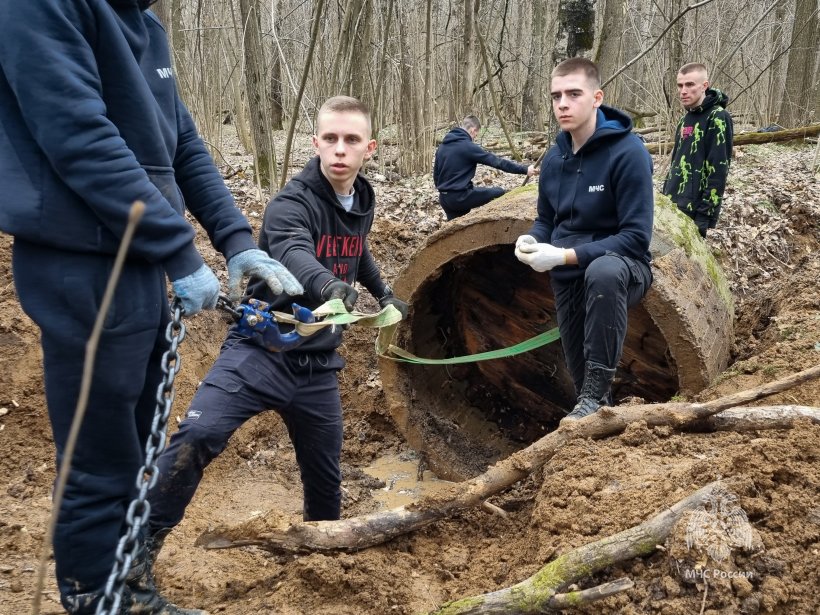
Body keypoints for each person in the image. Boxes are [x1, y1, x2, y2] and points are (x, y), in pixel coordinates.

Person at [0, 2, 303, 613]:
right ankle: (95, 595)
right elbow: (78, 135)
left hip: (138, 258)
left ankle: (127, 588)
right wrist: (177, 249)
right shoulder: (41, 7)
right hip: (80, 258)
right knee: (100, 451)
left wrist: (236, 241)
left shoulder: (145, 21)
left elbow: (182, 142)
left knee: (137, 442)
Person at [146, 96, 408, 556]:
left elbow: (357, 246)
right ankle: (140, 548)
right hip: (259, 349)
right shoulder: (291, 203)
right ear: (316, 143)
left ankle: (317, 558)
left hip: (318, 365)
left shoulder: (362, 197)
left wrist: (382, 291)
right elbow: (292, 251)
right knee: (199, 436)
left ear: (370, 147)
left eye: (351, 140)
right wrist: (328, 286)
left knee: (326, 481)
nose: (340, 149)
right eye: (330, 139)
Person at [515, 58, 654, 424]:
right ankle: (595, 411)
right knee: (581, 381)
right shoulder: (556, 157)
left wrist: (564, 256)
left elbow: (636, 238)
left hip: (623, 267)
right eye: (556, 96)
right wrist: (532, 239)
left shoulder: (628, 153)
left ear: (596, 97)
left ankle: (595, 397)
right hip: (568, 274)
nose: (563, 103)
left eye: (573, 94)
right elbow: (547, 218)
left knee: (603, 272)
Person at [662, 62, 733, 238]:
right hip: (672, 203)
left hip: (694, 210)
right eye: (680, 85)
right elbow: (676, 163)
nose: (683, 91)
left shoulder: (718, 117)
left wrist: (705, 215)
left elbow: (718, 170)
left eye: (690, 84)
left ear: (704, 86)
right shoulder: (684, 120)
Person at [433, 115, 538, 220]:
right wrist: (525, 169)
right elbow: (498, 162)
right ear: (473, 130)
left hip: (444, 199)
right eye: (476, 135)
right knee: (499, 192)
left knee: (457, 228)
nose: (474, 138)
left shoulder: (442, 147)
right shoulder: (468, 147)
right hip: (460, 198)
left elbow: (436, 177)